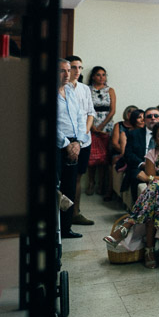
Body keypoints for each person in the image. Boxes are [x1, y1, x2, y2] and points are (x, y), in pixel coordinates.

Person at [104, 122, 159, 269]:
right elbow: (153, 181)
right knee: (154, 197)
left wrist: (152, 178)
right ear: (156, 139)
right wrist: (156, 179)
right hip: (158, 194)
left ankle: (129, 228)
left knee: (154, 190)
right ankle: (148, 250)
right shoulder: (151, 154)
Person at [56, 59, 85, 238]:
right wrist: (67, 144)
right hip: (58, 145)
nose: (67, 75)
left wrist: (78, 142)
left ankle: (66, 228)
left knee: (69, 188)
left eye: (68, 70)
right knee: (57, 189)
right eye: (62, 71)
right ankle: (54, 229)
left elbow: (80, 117)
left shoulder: (70, 91)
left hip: (74, 144)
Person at [66, 56, 96, 226]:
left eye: (80, 68)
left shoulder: (84, 89)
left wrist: (83, 134)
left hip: (84, 140)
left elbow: (90, 113)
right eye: (74, 67)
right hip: (67, 141)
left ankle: (75, 212)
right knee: (66, 179)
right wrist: (74, 140)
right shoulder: (61, 88)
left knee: (78, 177)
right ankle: (64, 216)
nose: (77, 71)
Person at [87, 66, 116, 201]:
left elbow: (112, 110)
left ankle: (101, 184)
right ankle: (91, 182)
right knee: (91, 156)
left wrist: (102, 126)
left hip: (106, 125)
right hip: (90, 124)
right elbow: (84, 108)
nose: (101, 77)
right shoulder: (87, 90)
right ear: (93, 76)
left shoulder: (110, 90)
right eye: (98, 75)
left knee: (104, 157)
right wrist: (92, 126)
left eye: (103, 75)